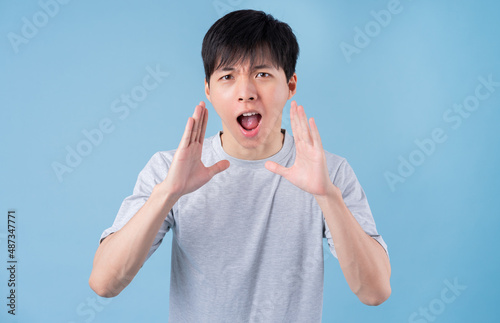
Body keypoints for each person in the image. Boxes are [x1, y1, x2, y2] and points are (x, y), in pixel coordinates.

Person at [89, 9, 391, 322]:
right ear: (208, 89)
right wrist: (168, 192)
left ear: (290, 85)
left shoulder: (330, 172)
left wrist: (328, 197)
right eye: (228, 77)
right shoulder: (170, 168)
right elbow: (104, 283)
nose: (246, 93)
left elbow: (375, 292)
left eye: (262, 74)